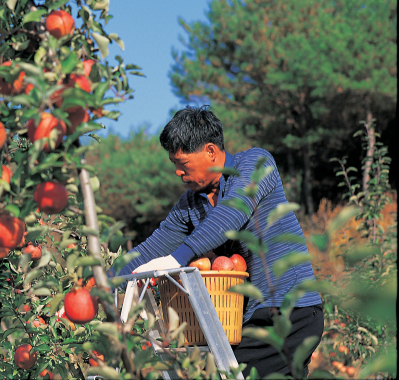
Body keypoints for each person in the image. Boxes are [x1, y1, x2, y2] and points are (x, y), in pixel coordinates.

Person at [113, 106, 324, 378]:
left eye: (183, 164)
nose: (177, 172)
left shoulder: (256, 164)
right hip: (248, 321)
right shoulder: (190, 204)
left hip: (291, 310)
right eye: (174, 164)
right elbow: (153, 247)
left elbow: (230, 215)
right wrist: (100, 282)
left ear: (211, 152)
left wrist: (178, 258)